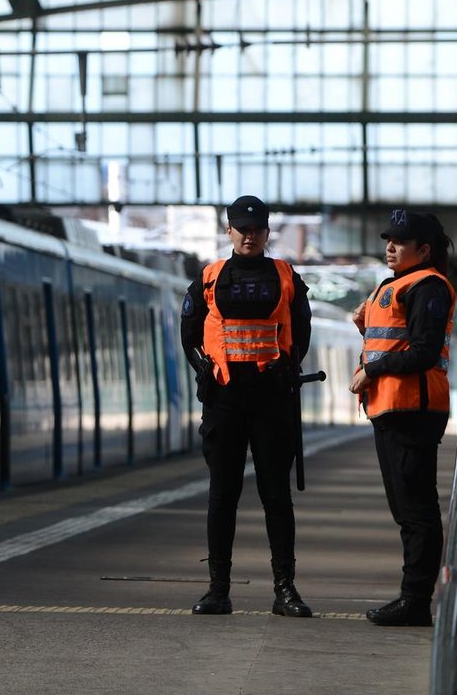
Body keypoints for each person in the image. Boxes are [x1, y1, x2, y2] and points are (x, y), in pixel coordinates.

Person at [180, 194, 314, 618]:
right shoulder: (209, 277)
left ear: (267, 232)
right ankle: (218, 589)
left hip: (272, 398)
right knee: (223, 494)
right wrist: (204, 368)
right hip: (225, 399)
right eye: (241, 228)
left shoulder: (287, 276)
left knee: (276, 496)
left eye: (256, 229)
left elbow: (303, 331)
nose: (249, 235)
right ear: (229, 231)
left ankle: (285, 589)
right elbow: (190, 333)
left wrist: (288, 368)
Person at [350, 208, 456, 628]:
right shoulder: (395, 286)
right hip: (392, 409)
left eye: (400, 241)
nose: (390, 247)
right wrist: (365, 326)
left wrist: (371, 370)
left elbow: (423, 351)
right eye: (387, 240)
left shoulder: (429, 287)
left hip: (413, 409)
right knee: (406, 508)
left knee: (416, 509)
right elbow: (391, 341)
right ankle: (412, 597)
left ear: (423, 250)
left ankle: (415, 600)